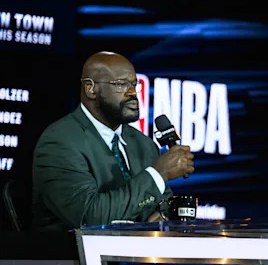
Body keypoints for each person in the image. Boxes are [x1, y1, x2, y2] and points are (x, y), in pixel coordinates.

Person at [32, 52, 195, 232]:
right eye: (120, 84)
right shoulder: (60, 141)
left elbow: (162, 203)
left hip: (135, 249)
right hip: (72, 249)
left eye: (134, 84)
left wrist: (162, 215)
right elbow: (89, 217)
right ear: (90, 89)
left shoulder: (144, 144)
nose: (132, 92)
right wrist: (158, 173)